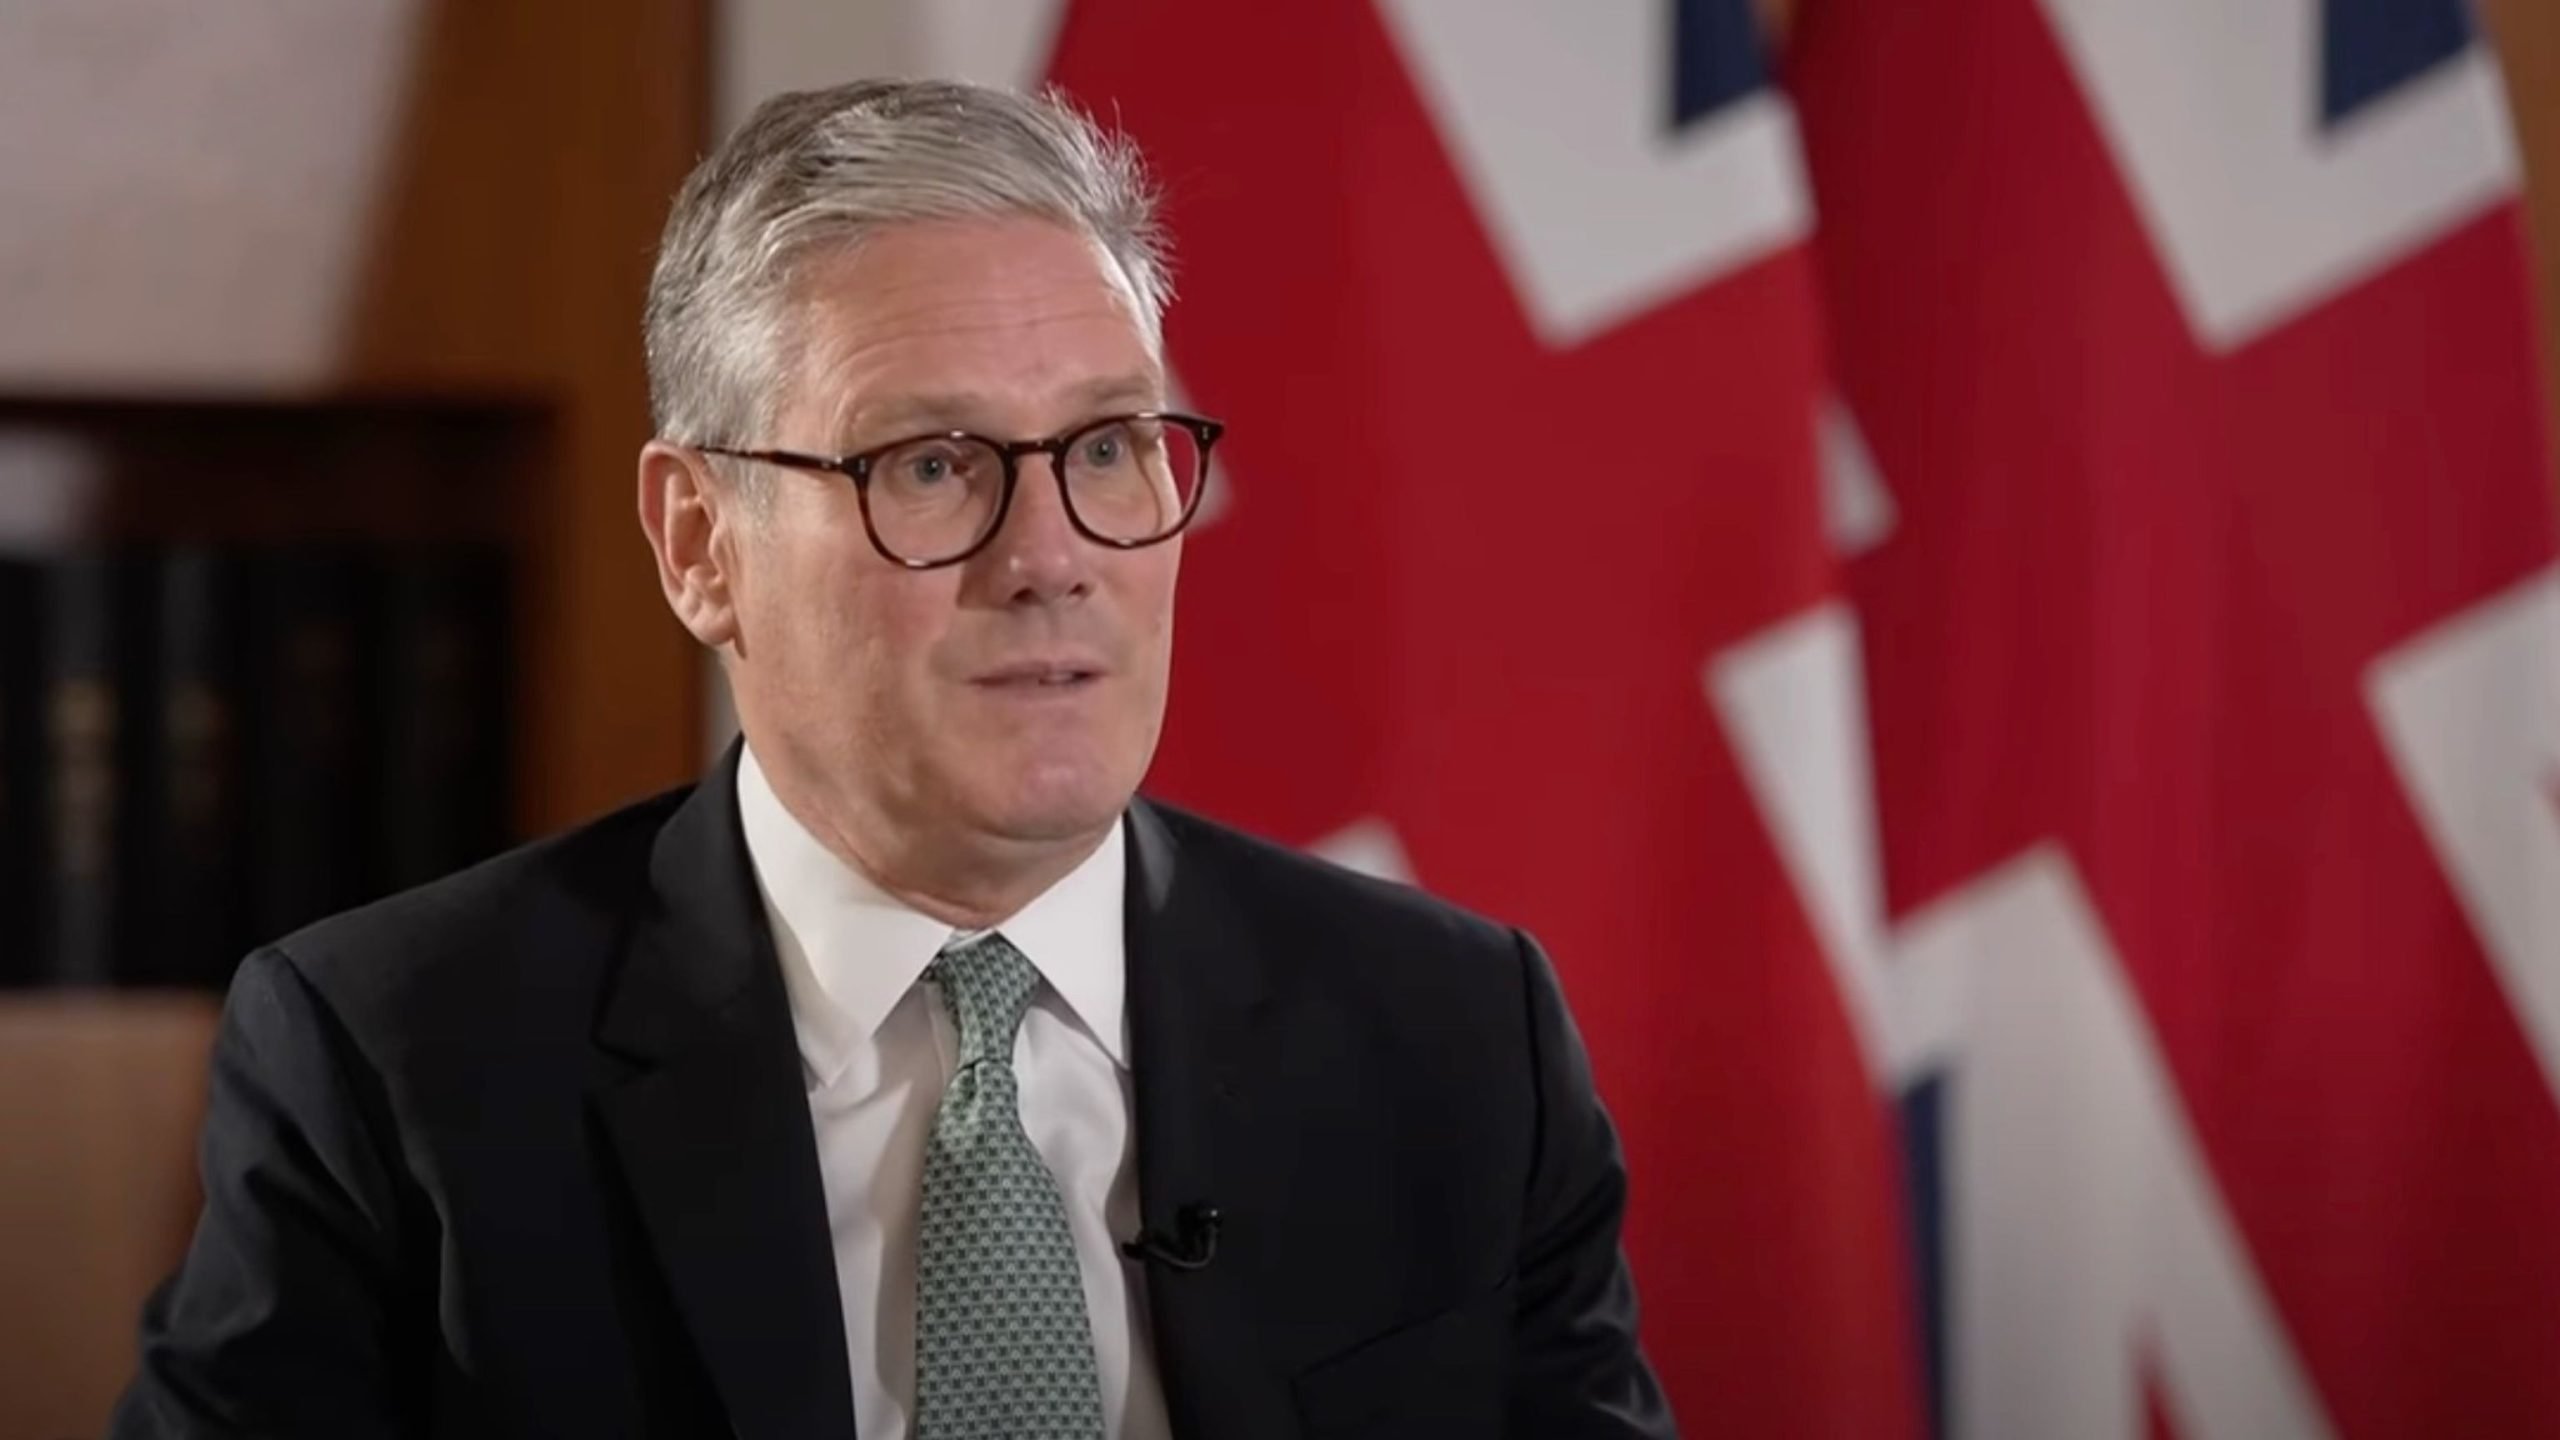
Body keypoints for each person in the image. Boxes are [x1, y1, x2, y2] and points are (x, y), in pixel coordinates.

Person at [111, 78, 1674, 1439]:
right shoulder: (393, 1067)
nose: (1053, 556)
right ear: (700, 545)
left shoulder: (1458, 1039)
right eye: (933, 466)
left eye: (1112, 448)